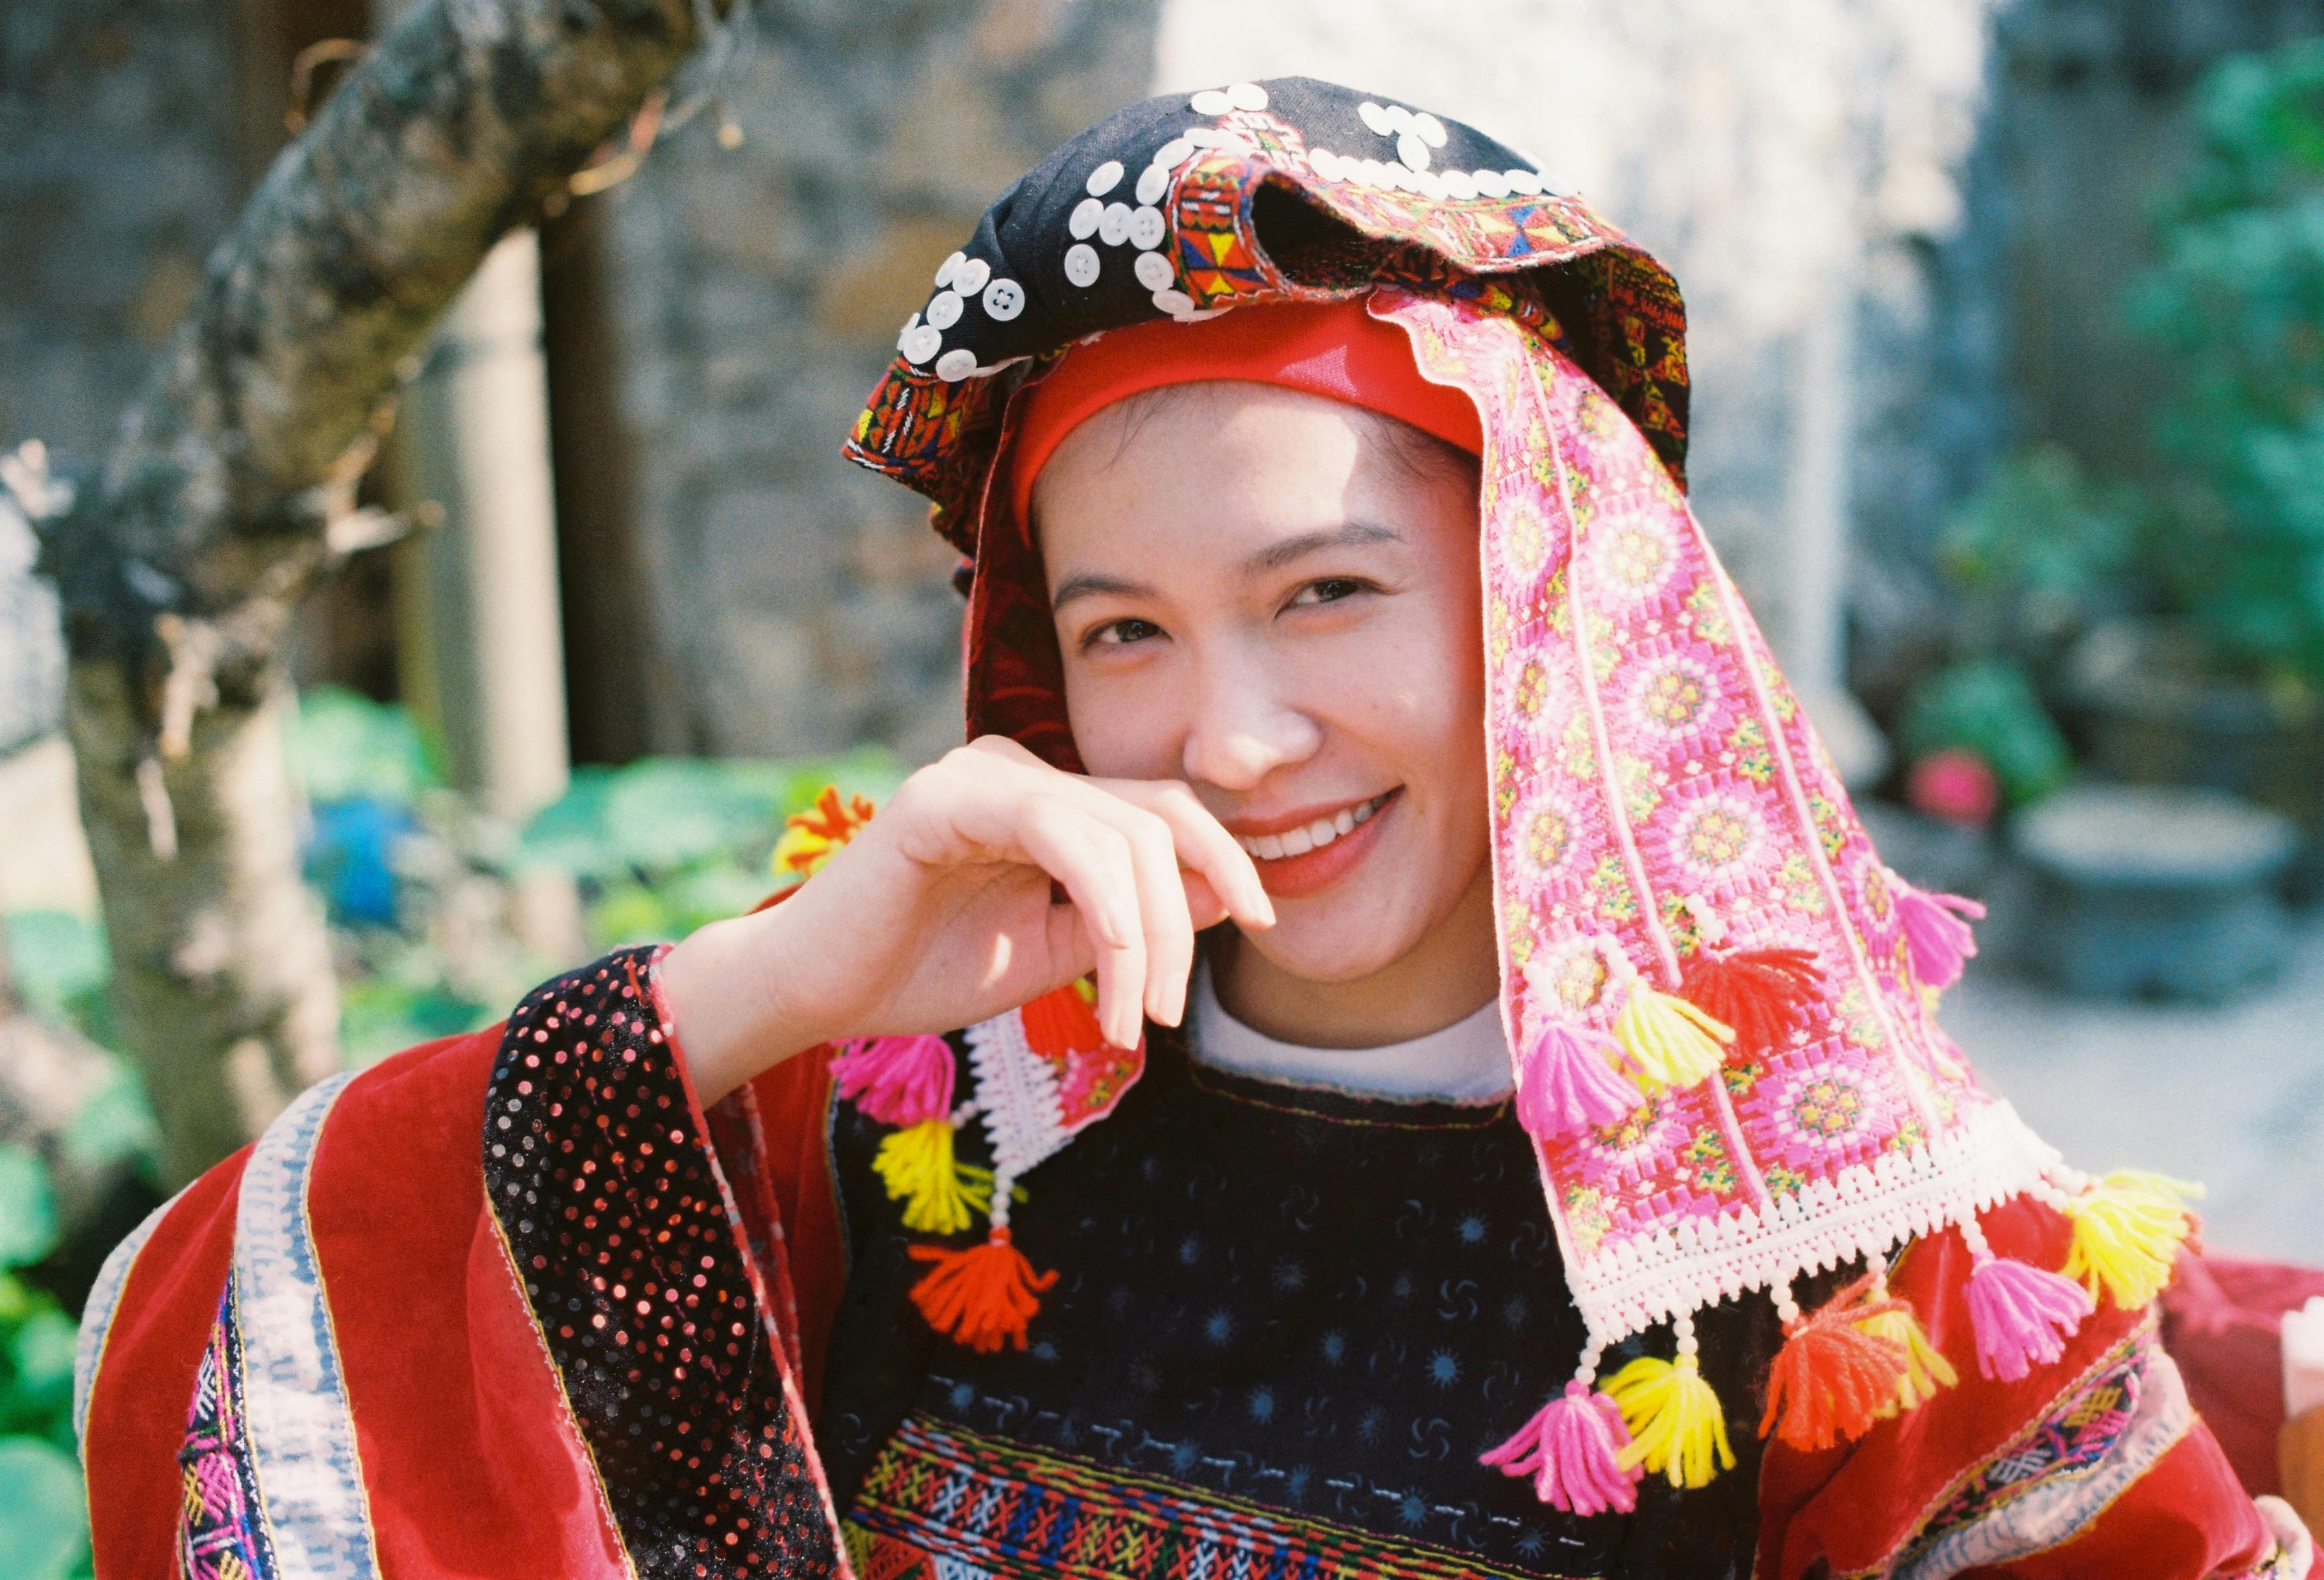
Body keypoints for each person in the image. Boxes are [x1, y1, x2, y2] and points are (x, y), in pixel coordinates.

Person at [75, 77, 2311, 1580]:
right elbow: (206, 1344)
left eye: (1326, 592)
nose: (1228, 739)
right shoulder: (897, 1094)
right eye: (1123, 629)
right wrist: (774, 980)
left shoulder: (1852, 1242)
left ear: (1551, 600)